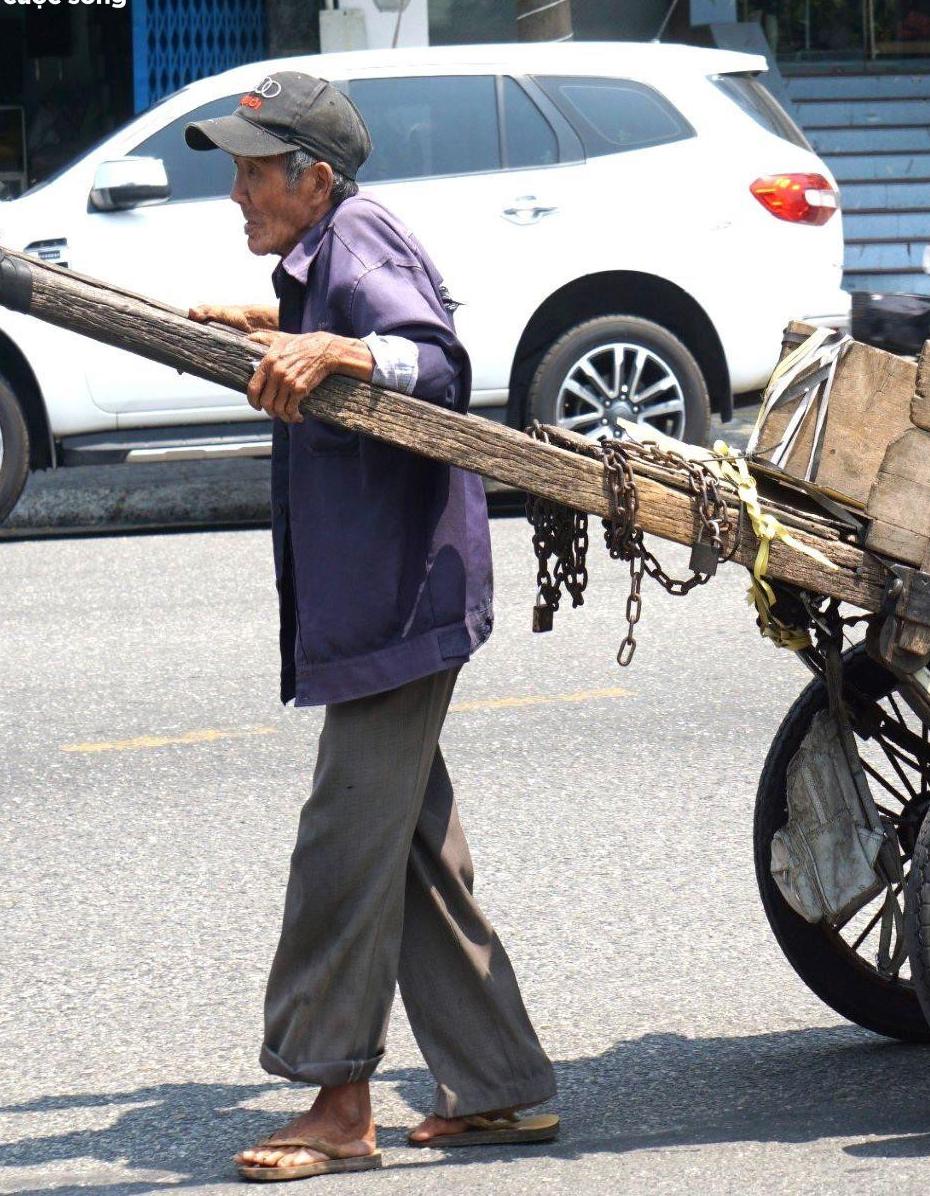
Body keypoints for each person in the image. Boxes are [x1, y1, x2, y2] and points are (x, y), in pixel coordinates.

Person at [181, 71, 558, 1183]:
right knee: (407, 848)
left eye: (256, 170)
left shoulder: (361, 235)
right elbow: (348, 319)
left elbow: (434, 361)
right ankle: (498, 1088)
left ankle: (339, 1098)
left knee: (345, 838)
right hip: (380, 600)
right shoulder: (324, 255)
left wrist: (338, 348)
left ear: (316, 176)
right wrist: (284, 321)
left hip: (404, 599)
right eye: (238, 170)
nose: (238, 191)